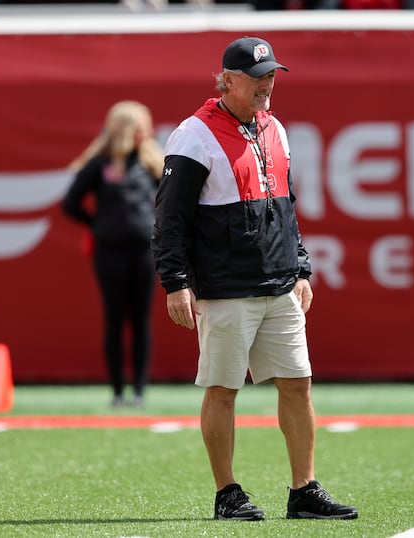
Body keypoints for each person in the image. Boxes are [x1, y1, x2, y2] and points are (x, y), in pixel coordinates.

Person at [151, 36, 358, 521]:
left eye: (271, 75)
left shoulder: (275, 128)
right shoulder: (193, 135)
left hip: (279, 282)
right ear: (227, 80)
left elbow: (287, 206)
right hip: (225, 286)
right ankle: (227, 493)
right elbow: (169, 217)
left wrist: (300, 265)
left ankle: (303, 489)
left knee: (298, 383)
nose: (267, 84)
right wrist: (175, 281)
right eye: (257, 75)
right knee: (223, 388)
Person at [62, 100, 163, 408]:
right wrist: (98, 225)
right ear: (125, 129)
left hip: (144, 251)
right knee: (115, 319)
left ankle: (140, 391)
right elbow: (70, 203)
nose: (146, 132)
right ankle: (118, 391)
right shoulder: (100, 164)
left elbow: (173, 199)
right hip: (109, 253)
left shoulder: (151, 163)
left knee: (141, 320)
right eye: (140, 126)